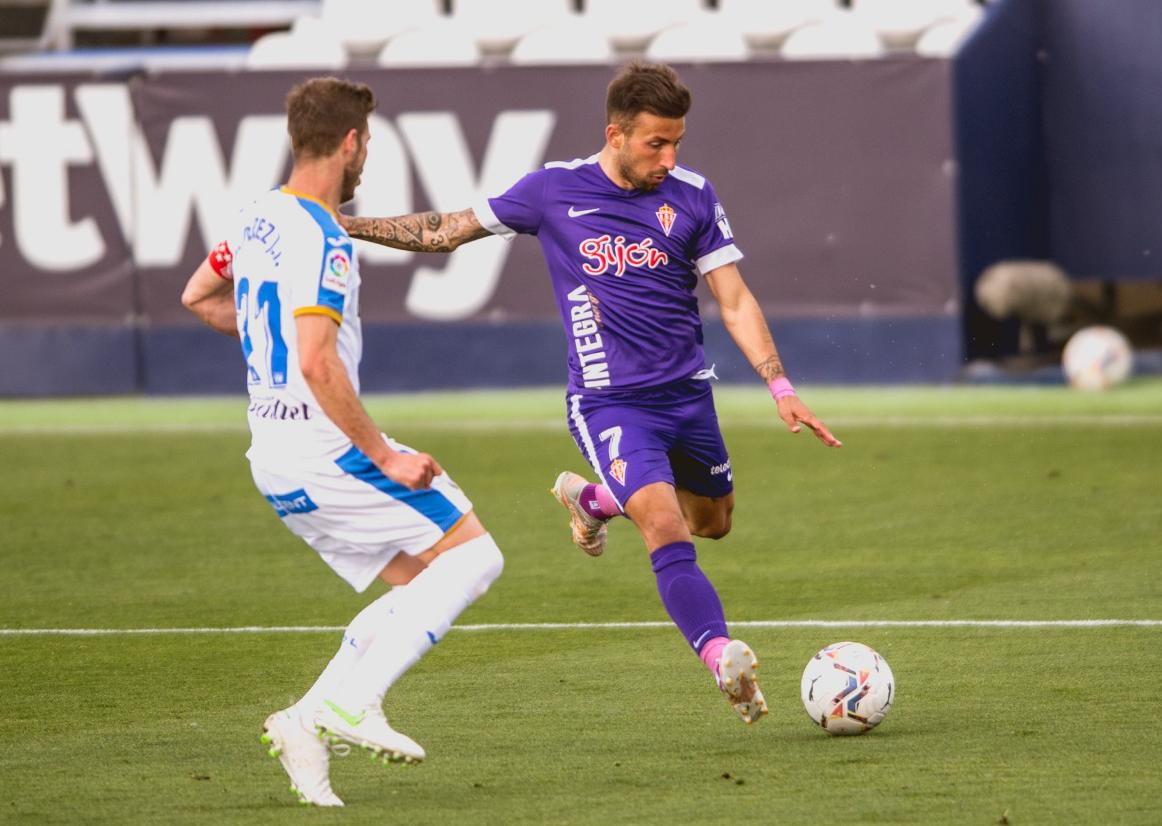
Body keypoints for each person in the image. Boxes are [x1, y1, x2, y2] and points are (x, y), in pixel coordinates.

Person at [338, 62, 839, 726]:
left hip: (688, 399)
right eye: (655, 143)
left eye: (677, 143)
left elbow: (735, 299)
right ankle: (722, 659)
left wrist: (781, 386)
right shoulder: (552, 191)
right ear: (616, 133)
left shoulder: (693, 196)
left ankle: (593, 499)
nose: (669, 157)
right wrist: (346, 226)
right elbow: (446, 230)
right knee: (663, 525)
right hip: (609, 404)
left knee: (712, 522)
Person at [180, 77, 504, 807]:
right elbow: (318, 360)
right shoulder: (323, 235)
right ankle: (351, 704)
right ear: (352, 142)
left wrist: (268, 333)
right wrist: (386, 455)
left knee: (423, 580)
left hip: (271, 455)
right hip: (327, 454)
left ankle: (304, 721)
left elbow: (197, 295)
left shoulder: (256, 215)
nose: (367, 162)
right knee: (477, 555)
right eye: (369, 146)